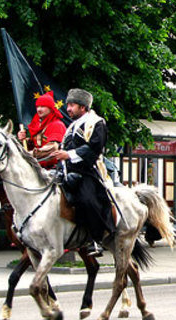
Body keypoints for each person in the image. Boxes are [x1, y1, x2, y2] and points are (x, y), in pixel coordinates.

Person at [51, 88, 115, 257]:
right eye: (68, 105)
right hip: (66, 171)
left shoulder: (96, 123)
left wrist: (69, 155)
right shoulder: (71, 126)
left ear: (83, 107)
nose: (68, 109)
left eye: (72, 105)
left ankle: (96, 239)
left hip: (88, 171)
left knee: (88, 201)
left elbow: (94, 147)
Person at [17, 91, 67, 169]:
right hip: (38, 168)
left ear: (50, 108)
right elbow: (35, 145)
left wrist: (28, 154)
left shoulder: (57, 125)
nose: (39, 109)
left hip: (54, 169)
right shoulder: (38, 125)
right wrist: (24, 141)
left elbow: (52, 148)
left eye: (43, 106)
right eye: (37, 106)